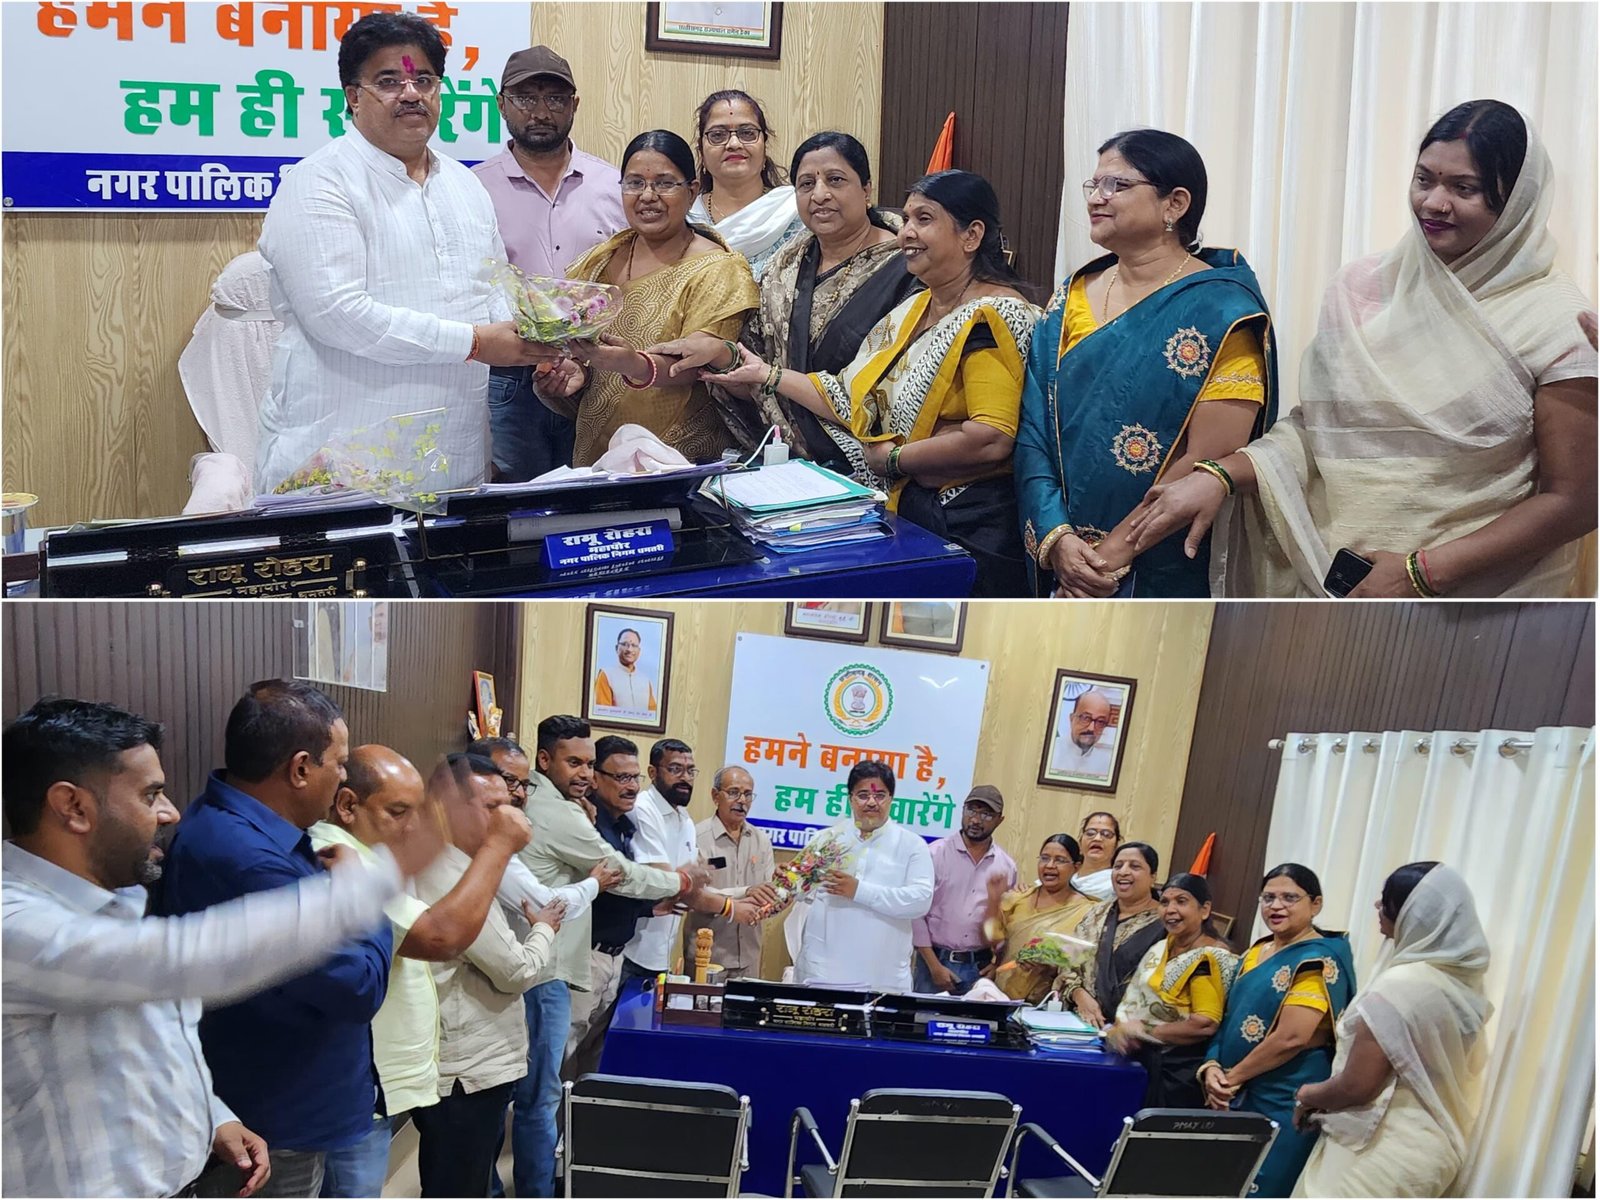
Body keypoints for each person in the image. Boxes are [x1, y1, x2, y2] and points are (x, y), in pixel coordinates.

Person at [1127, 101, 1598, 598]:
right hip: (1335, 581)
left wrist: (1421, 573)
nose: (1434, 203)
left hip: (1484, 605)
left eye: (1464, 188)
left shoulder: (1557, 320)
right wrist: (1220, 475)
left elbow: (1575, 500)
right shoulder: (1364, 287)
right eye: (1424, 179)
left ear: (1517, 202)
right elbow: (1321, 432)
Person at [1, 698, 437, 1200]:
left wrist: (213, 1116)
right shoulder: (16, 927)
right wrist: (373, 884)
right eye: (150, 795)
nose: (170, 812)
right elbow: (194, 957)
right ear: (73, 807)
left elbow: (147, 1043)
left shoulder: (117, 901)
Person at [655, 170, 1040, 596]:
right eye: (907, 219)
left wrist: (895, 460)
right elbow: (849, 396)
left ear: (972, 235)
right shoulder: (915, 309)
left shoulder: (992, 315)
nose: (907, 233)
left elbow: (990, 438)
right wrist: (767, 374)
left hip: (970, 527)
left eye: (924, 219)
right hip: (909, 514)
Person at [255, 12, 553, 494]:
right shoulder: (320, 182)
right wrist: (474, 343)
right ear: (353, 96)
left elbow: (493, 288)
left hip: (455, 459)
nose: (411, 94)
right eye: (389, 81)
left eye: (424, 80)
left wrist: (542, 344)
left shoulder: (464, 185)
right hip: (343, 465)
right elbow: (338, 314)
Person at [1016, 128, 1277, 598]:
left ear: (1175, 203)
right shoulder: (1070, 296)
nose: (1096, 197)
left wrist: (1106, 560)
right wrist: (1058, 540)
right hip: (1062, 555)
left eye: (1116, 184)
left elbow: (1206, 459)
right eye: (1093, 184)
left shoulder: (1222, 310)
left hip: (1154, 564)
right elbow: (1034, 428)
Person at [156, 682, 394, 1197]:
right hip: (276, 1124)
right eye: (340, 763)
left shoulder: (249, 825)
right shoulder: (245, 857)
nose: (344, 777)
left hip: (299, 1105)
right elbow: (358, 986)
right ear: (301, 768)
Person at [309, 745, 533, 1198]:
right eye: (398, 812)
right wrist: (499, 845)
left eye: (418, 812)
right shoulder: (335, 853)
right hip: (361, 1080)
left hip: (382, 1081)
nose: (411, 826)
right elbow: (441, 937)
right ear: (348, 805)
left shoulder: (373, 856)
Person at [508, 716, 701, 1199]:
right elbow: (620, 874)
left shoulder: (577, 808)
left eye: (588, 764)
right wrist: (681, 882)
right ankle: (538, 1190)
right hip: (551, 967)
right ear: (544, 759)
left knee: (567, 1080)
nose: (584, 774)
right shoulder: (558, 812)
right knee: (542, 1092)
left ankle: (562, 1172)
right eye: (575, 763)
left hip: (578, 960)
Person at [531, 130, 759, 465]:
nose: (648, 196)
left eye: (665, 183)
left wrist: (629, 363)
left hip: (679, 459)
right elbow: (582, 351)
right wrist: (572, 372)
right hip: (598, 457)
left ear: (692, 191)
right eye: (635, 183)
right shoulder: (599, 261)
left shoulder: (719, 269)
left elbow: (699, 363)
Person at [705, 130, 919, 463]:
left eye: (835, 180)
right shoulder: (785, 264)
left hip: (873, 459)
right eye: (806, 184)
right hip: (784, 460)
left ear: (866, 190)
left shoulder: (907, 268)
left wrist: (769, 377)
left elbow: (897, 388)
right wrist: (720, 357)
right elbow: (755, 366)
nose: (819, 195)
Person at [411, 755, 565, 1199]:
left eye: (509, 804)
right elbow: (516, 969)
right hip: (467, 1068)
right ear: (447, 808)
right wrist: (544, 929)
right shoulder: (452, 873)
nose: (507, 818)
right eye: (491, 807)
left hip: (466, 1063)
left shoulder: (463, 863)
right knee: (458, 1184)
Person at [472, 46, 626, 481]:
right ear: (501, 104)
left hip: (598, 369)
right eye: (525, 98)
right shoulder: (472, 189)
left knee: (597, 493)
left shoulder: (614, 185)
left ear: (574, 104)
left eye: (555, 99)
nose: (540, 112)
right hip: (510, 376)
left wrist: (587, 358)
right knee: (518, 500)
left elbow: (631, 275)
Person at [1293, 864, 1491, 1198]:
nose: (1376, 905)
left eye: (1386, 900)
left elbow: (1357, 1086)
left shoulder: (1400, 985)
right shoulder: (1461, 984)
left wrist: (1306, 1095)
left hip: (1380, 1152)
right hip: (1434, 1149)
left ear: (1412, 913)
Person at [1199, 864, 1357, 1197]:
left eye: (1289, 898)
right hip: (1234, 1091)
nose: (1276, 906)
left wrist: (1231, 1078)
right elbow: (1229, 1018)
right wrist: (1212, 1066)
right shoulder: (1257, 951)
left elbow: (1292, 1037)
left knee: (1264, 1185)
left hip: (1284, 1096)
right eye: (1268, 898)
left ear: (1315, 904)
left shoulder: (1316, 960)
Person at [788, 762, 934, 992]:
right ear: (851, 799)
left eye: (880, 795)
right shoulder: (826, 840)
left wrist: (859, 891)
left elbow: (920, 901)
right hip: (824, 973)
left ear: (891, 799)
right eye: (863, 795)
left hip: (882, 978)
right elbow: (795, 888)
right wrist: (786, 880)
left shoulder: (912, 846)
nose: (872, 802)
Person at [563, 735, 657, 1078]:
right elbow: (618, 882)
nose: (631, 787)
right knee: (564, 1051)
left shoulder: (624, 826)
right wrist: (680, 885)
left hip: (616, 958)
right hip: (585, 955)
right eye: (621, 777)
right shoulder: (587, 825)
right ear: (595, 778)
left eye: (635, 777)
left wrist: (650, 906)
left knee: (593, 1054)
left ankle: (577, 1113)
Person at [1106, 873, 1240, 1108]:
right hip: (1142, 1059)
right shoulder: (1162, 947)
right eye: (1165, 902)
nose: (1170, 910)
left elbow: (1205, 1023)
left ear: (1205, 910)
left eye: (1181, 901)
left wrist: (1145, 1031)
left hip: (1177, 1072)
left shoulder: (1208, 958)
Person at [686, 89, 805, 280]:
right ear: (701, 151)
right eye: (718, 135)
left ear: (764, 146)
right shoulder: (685, 220)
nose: (734, 144)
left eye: (747, 133)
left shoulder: (797, 213)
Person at [913, 786, 1018, 994]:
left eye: (986, 814)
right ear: (962, 810)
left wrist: (997, 963)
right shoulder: (934, 854)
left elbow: (1005, 926)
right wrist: (934, 966)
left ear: (1000, 820)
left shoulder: (1006, 867)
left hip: (979, 967)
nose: (976, 820)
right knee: (924, 1015)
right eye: (971, 810)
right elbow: (916, 913)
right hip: (933, 963)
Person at [621, 739, 704, 989]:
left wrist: (745, 893)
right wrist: (730, 907)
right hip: (629, 953)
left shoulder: (685, 820)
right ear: (653, 772)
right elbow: (665, 882)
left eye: (690, 771)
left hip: (660, 956)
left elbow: (690, 886)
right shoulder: (643, 809)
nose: (685, 778)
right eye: (675, 769)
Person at [682, 766, 777, 981]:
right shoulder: (696, 837)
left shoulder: (761, 840)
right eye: (734, 792)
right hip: (707, 956)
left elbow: (768, 893)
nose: (742, 800)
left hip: (749, 957)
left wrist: (784, 892)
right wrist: (746, 892)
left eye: (748, 794)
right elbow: (694, 893)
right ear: (716, 796)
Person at [1055, 842, 1165, 1026]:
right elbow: (1068, 963)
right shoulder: (1096, 913)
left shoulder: (1164, 923)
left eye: (1135, 866)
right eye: (1118, 866)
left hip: (1132, 1029)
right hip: (1080, 1022)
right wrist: (1078, 994)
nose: (1123, 872)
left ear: (1153, 876)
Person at [984, 834, 1098, 1003]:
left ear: (1076, 866)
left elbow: (1087, 963)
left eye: (1060, 860)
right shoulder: (1018, 898)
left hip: (1050, 1002)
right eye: (1044, 858)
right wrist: (993, 899)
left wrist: (1051, 966)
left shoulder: (1088, 910)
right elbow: (993, 939)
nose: (1050, 865)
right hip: (1003, 996)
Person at [592, 627, 658, 718]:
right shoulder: (606, 675)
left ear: (639, 651)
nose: (629, 649)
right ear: (616, 648)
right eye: (625, 644)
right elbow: (602, 714)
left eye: (634, 645)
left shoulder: (645, 680)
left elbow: (652, 714)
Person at [1052, 690, 1116, 780]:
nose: (1091, 728)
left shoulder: (1107, 765)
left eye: (1100, 721)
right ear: (1072, 719)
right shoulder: (1051, 751)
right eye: (1086, 718)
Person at [1072, 811, 1122, 900]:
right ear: (1080, 841)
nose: (1097, 838)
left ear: (1116, 845)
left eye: (1106, 834)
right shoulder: (1066, 878)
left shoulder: (1117, 884)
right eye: (1090, 833)